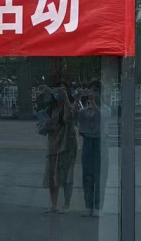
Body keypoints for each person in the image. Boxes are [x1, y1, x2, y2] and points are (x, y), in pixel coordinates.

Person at [38, 82, 78, 214]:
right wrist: (46, 124)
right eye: (57, 91)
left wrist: (66, 97)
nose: (58, 94)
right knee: (51, 176)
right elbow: (41, 128)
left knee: (66, 176)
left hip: (66, 146)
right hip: (53, 146)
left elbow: (71, 115)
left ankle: (66, 204)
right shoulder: (50, 109)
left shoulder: (67, 107)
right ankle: (54, 204)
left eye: (61, 91)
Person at [76, 80, 109, 218]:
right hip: (87, 142)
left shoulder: (106, 108)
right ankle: (88, 206)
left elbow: (102, 116)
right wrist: (77, 98)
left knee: (100, 176)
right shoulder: (85, 110)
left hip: (100, 143)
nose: (93, 93)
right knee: (87, 176)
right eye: (91, 90)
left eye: (95, 90)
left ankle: (98, 207)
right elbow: (73, 115)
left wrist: (93, 101)